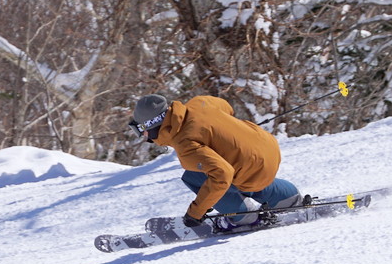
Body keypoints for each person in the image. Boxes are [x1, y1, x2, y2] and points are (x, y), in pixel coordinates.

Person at [129, 94, 306, 230]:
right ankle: (288, 198)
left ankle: (244, 216)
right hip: (267, 149)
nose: (142, 137)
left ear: (151, 128)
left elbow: (222, 175)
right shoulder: (199, 103)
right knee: (244, 169)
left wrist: (196, 212)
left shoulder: (186, 144)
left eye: (140, 131)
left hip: (250, 167)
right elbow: (227, 107)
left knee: (194, 177)